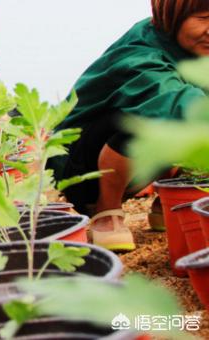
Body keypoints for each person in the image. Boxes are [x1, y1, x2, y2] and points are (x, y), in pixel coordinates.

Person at [51, 0, 209, 252]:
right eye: (203, 18)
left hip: (134, 165)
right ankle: (106, 211)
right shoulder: (141, 52)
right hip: (82, 170)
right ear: (171, 17)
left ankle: (169, 200)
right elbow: (169, 99)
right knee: (158, 113)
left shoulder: (195, 48)